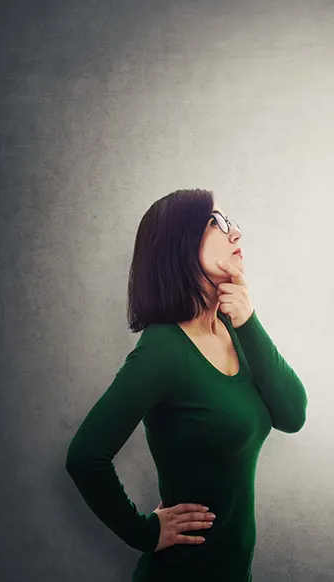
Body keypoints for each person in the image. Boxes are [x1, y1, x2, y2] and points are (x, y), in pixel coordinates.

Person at [65, 188, 307, 581]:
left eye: (233, 223)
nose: (236, 234)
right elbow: (85, 457)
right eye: (216, 223)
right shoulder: (163, 350)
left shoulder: (233, 328)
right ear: (178, 243)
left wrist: (248, 321)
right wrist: (143, 531)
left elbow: (293, 415)